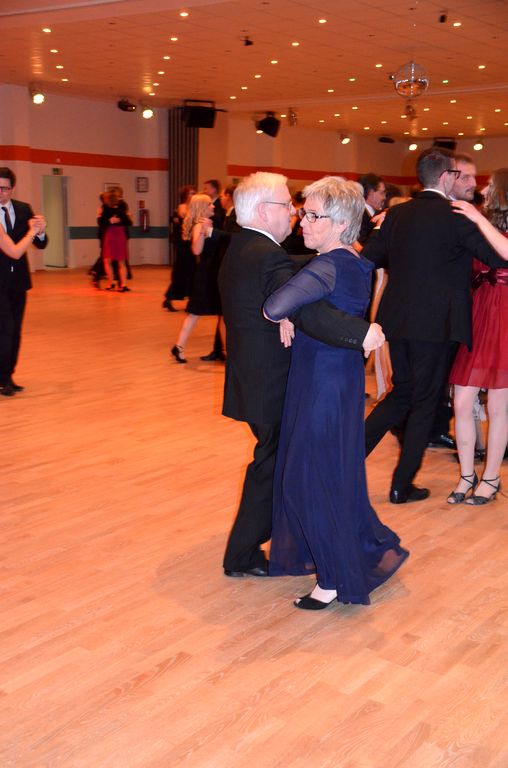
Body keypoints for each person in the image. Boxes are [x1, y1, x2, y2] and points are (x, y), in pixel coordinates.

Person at [218, 171, 385, 578]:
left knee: (277, 464)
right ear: (263, 211)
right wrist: (360, 332)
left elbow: (292, 281)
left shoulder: (242, 245)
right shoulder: (268, 255)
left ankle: (272, 545)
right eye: (288, 206)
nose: (293, 213)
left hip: (251, 377)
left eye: (305, 211)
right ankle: (246, 551)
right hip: (273, 381)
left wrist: (327, 263)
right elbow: (309, 311)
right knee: (277, 467)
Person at [264, 177, 408, 610]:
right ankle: (355, 553)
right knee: (328, 476)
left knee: (310, 480)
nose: (302, 222)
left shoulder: (327, 267)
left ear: (341, 222)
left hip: (322, 385)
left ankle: (331, 579)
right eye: (302, 212)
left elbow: (273, 306)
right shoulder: (349, 262)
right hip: (333, 380)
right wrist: (295, 311)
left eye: (313, 215)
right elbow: (301, 303)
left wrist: (290, 312)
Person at [362, 148, 506, 503]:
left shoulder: (397, 214)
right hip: (438, 326)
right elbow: (496, 258)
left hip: (397, 320)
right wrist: (478, 222)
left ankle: (345, 456)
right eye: (457, 174)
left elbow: (368, 257)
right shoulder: (456, 216)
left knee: (403, 393)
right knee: (425, 402)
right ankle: (402, 484)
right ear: (445, 177)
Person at [447, 169, 508, 504]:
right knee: (462, 400)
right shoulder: (481, 222)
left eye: (490, 185)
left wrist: (476, 218)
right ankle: (467, 475)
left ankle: (491, 478)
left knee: (498, 406)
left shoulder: (481, 222)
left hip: (505, 315)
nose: (483, 189)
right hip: (480, 312)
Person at [0, 167, 48, 397]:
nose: (0, 192)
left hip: (18, 280)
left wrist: (41, 231)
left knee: (15, 330)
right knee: (5, 329)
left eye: (4, 188)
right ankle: (2, 378)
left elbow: (41, 243)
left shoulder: (23, 209)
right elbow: (13, 250)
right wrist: (31, 232)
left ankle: (8, 375)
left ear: (12, 188)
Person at [170, 194, 225, 363]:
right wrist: (202, 231)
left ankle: (179, 346)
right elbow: (196, 250)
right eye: (210, 204)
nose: (213, 206)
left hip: (212, 271)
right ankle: (180, 347)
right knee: (198, 312)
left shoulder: (209, 222)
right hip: (207, 273)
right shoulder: (200, 225)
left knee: (202, 313)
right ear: (202, 207)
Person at [163, 184, 196, 312]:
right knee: (184, 271)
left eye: (194, 192)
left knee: (189, 272)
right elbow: (187, 220)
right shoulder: (183, 207)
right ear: (185, 195)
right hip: (184, 245)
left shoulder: (191, 207)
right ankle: (171, 297)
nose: (193, 195)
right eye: (191, 193)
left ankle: (181, 299)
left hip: (188, 243)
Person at [98, 188, 132, 292]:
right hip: (120, 233)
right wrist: (121, 219)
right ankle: (123, 285)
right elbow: (129, 222)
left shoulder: (105, 208)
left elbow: (101, 222)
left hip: (111, 234)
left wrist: (110, 221)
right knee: (121, 261)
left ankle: (111, 283)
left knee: (107, 260)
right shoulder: (122, 207)